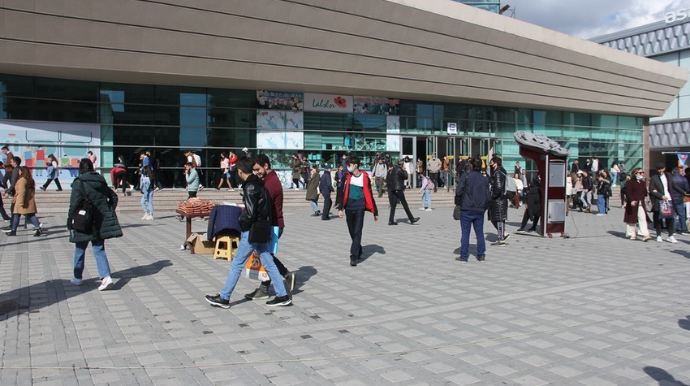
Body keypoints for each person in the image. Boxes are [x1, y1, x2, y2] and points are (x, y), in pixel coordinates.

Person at [205, 156, 292, 308]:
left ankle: (224, 297)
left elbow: (250, 213)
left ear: (240, 171)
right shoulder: (260, 184)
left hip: (252, 231)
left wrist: (241, 223)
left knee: (237, 263)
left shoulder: (250, 186)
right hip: (262, 229)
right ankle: (282, 295)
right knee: (268, 261)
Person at [244, 154, 295, 301]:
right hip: (270, 224)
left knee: (266, 257)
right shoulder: (267, 180)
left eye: (258, 169)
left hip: (273, 226)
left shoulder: (270, 183)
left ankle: (271, 285)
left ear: (266, 166)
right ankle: (277, 280)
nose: (256, 172)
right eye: (254, 170)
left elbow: (263, 205)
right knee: (266, 256)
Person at [67, 158, 122, 291]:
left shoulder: (79, 183)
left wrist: (70, 219)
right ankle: (106, 277)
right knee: (99, 249)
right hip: (99, 220)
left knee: (80, 248)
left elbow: (74, 203)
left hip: (83, 219)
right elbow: (113, 197)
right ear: (92, 168)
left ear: (81, 168)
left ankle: (77, 277)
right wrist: (108, 210)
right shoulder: (101, 181)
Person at [338, 156, 379, 267]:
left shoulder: (365, 177)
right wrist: (340, 208)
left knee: (358, 231)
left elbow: (369, 194)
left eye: (349, 165)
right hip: (349, 207)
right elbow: (341, 192)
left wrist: (375, 211)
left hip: (360, 206)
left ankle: (353, 255)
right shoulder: (346, 177)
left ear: (355, 165)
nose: (348, 167)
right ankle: (359, 249)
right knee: (352, 231)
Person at [455, 157, 490, 262]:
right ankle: (481, 254)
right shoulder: (484, 179)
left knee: (465, 233)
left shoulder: (465, 177)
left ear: (472, 166)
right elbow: (488, 196)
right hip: (479, 209)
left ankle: (464, 255)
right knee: (479, 232)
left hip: (466, 208)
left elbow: (459, 191)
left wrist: (458, 203)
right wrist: (484, 207)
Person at [6, 167, 44, 237]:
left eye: (20, 171)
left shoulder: (22, 180)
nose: (19, 172)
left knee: (20, 215)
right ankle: (14, 230)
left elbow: (21, 192)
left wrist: (20, 202)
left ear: (22, 172)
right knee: (27, 215)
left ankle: (14, 230)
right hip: (28, 200)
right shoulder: (30, 180)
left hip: (22, 201)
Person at [649, 162, 677, 243]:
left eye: (661, 169)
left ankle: (670, 235)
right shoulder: (654, 178)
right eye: (658, 169)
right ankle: (658, 235)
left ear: (664, 168)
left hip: (669, 199)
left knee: (670, 218)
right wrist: (661, 196)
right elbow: (651, 190)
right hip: (660, 200)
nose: (660, 170)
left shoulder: (668, 175)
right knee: (659, 218)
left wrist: (684, 192)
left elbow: (674, 185)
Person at [386, 161, 419, 226]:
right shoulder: (399, 169)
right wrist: (405, 170)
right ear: (401, 165)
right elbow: (405, 176)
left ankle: (391, 220)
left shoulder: (393, 170)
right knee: (404, 204)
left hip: (393, 189)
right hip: (398, 189)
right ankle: (411, 219)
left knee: (393, 205)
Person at [623, 167, 652, 241]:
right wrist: (631, 200)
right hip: (633, 202)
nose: (642, 174)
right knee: (631, 218)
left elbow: (645, 193)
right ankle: (631, 233)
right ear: (635, 174)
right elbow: (628, 193)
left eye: (643, 172)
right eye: (640, 173)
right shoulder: (630, 182)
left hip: (641, 202)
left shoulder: (642, 183)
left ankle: (645, 234)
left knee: (642, 218)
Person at [488, 156, 510, 245]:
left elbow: (498, 187)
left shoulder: (498, 173)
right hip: (501, 199)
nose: (490, 165)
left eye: (491, 163)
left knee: (499, 219)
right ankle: (503, 234)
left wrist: (492, 195)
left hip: (498, 200)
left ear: (495, 163)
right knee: (497, 218)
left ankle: (501, 239)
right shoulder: (502, 171)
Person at [670, 167, 690, 235]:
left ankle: (673, 230)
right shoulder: (683, 179)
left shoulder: (670, 179)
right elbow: (687, 189)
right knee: (682, 215)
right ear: (679, 172)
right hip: (680, 198)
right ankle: (683, 229)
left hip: (671, 198)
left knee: (673, 215)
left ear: (673, 172)